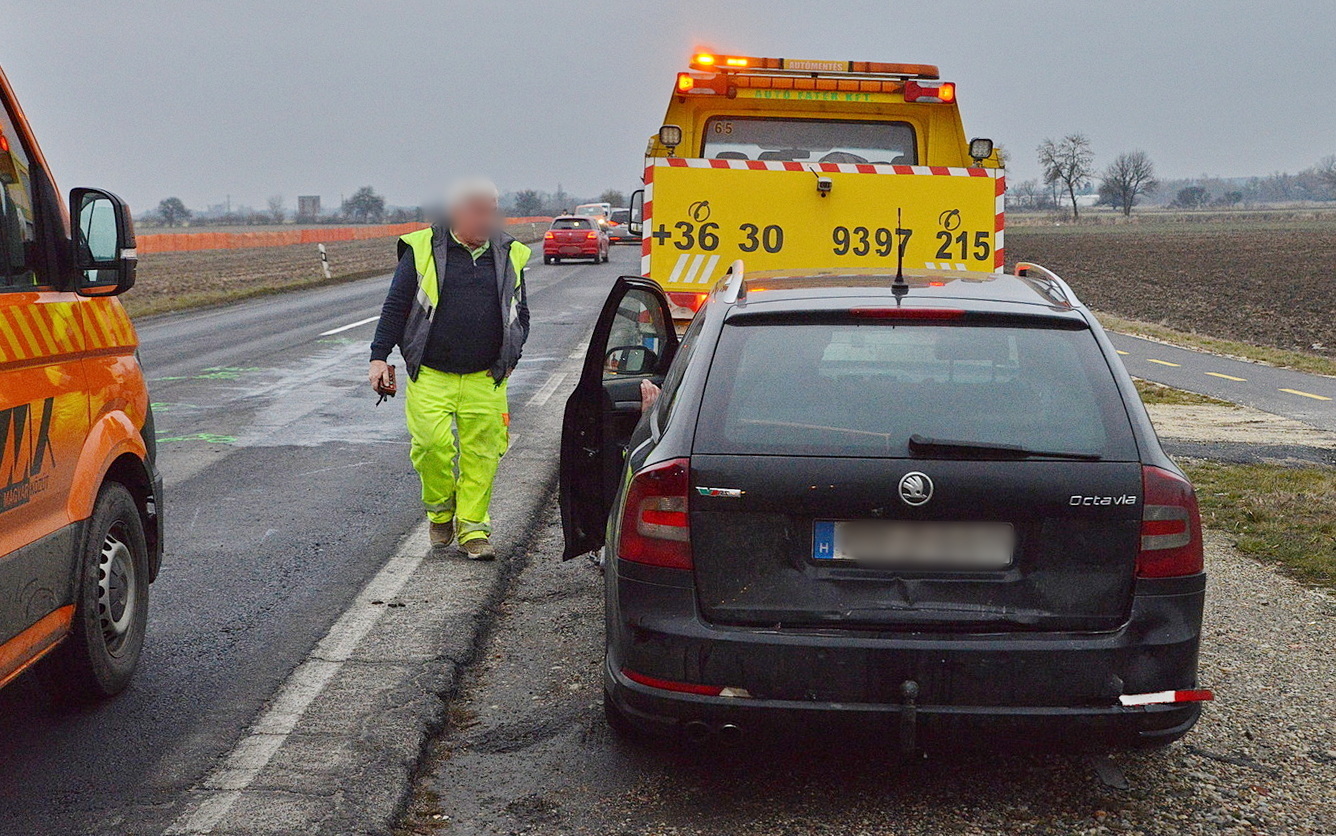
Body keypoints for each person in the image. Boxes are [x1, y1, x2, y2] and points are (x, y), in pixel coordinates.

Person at [368, 178, 530, 559]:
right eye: (478, 209)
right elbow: (396, 307)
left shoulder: (511, 253)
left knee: (484, 455)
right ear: (457, 211)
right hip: (432, 374)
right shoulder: (422, 248)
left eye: (491, 208)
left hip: (486, 378)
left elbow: (520, 313)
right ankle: (441, 510)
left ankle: (474, 530)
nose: (486, 217)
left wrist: (512, 359)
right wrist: (379, 356)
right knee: (431, 447)